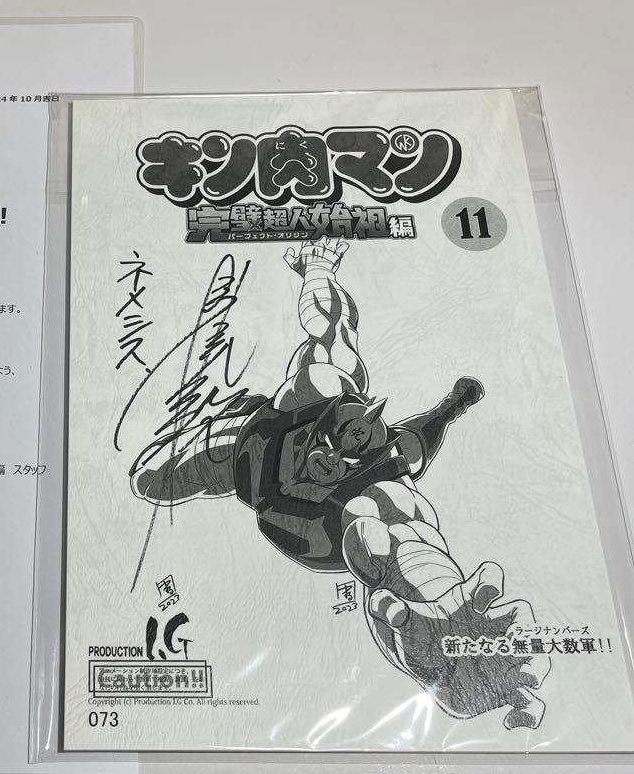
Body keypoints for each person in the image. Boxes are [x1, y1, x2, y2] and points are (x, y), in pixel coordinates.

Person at [131, 237, 549, 729]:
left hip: (319, 528)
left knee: (387, 508)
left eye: (350, 454)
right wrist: (317, 269)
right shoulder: (320, 386)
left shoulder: (385, 473)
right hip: (246, 454)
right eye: (331, 448)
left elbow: (417, 460)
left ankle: (440, 619)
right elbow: (331, 323)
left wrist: (440, 612)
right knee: (150, 480)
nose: (332, 461)